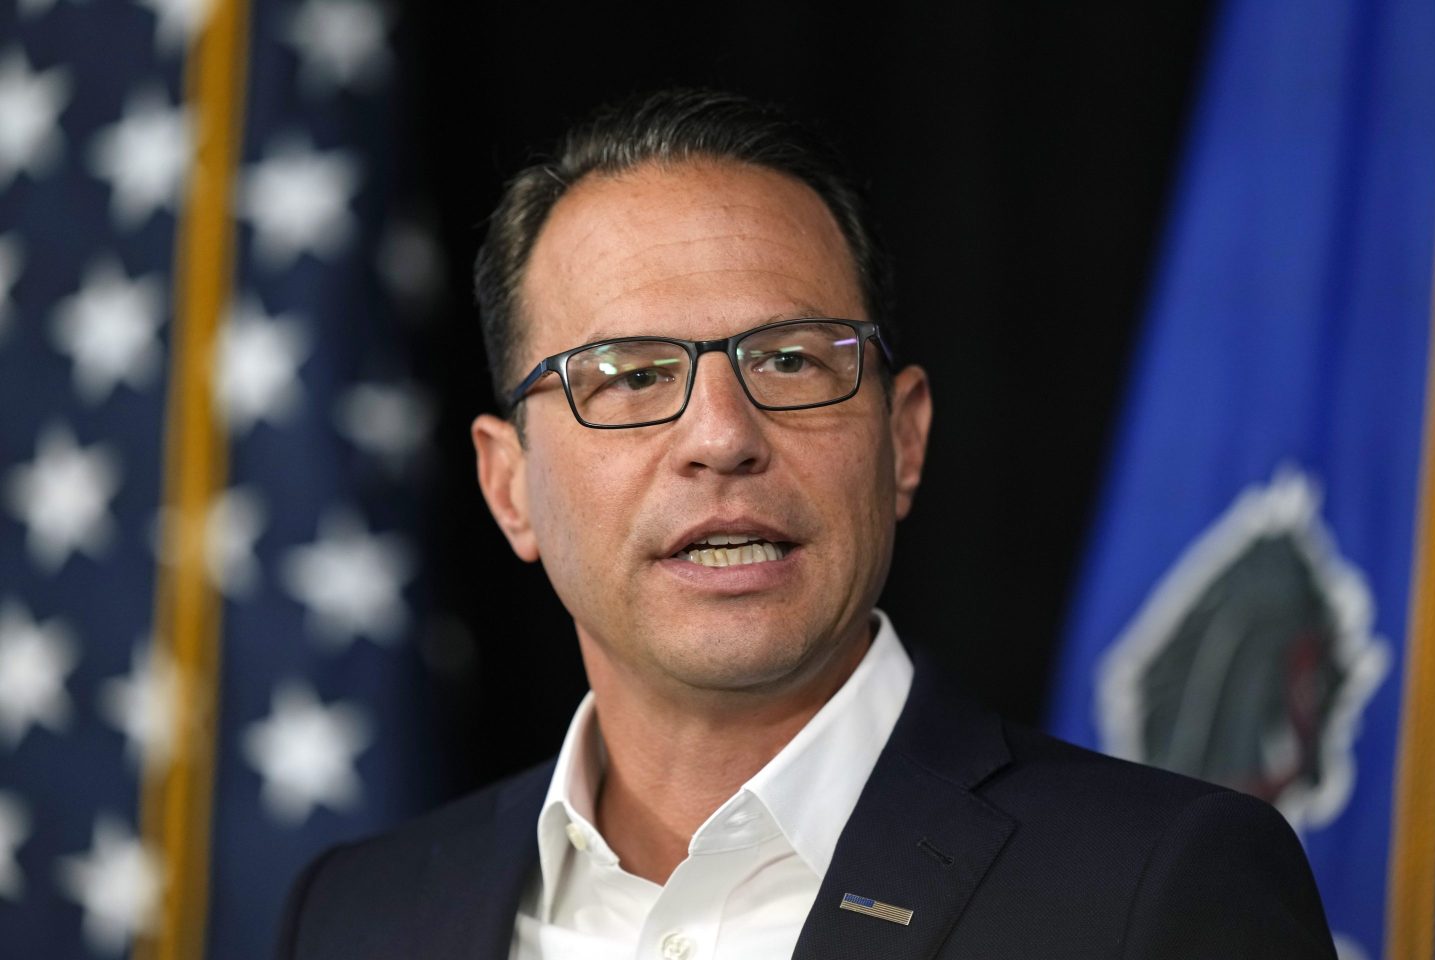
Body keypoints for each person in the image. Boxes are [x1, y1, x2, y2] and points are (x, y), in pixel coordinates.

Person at [275, 89, 1337, 959]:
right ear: (509, 487)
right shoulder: (357, 916)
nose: (722, 437)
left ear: (903, 439)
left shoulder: (1157, 892)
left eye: (790, 360)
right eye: (633, 376)